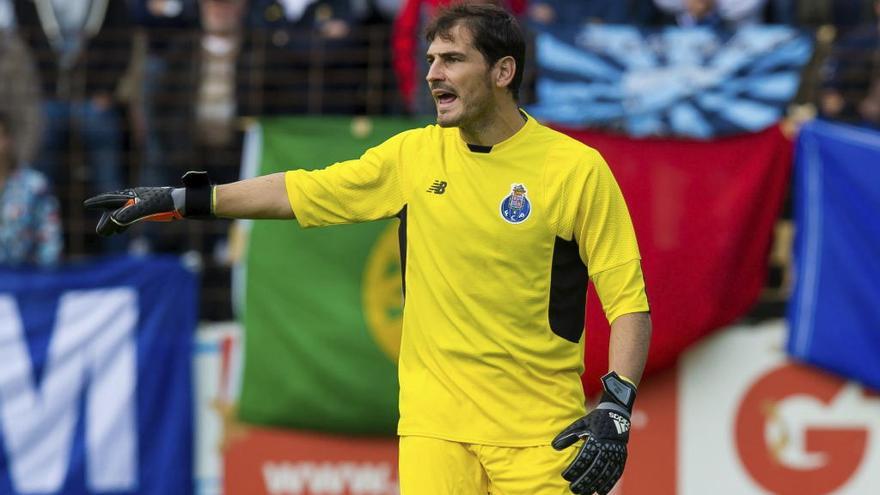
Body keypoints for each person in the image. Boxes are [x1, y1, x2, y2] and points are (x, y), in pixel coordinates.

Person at [85, 4, 652, 494]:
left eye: (452, 60)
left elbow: (628, 301)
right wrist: (183, 198)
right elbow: (298, 189)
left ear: (503, 71)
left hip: (539, 431)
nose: (433, 75)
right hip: (434, 426)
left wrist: (616, 404)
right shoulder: (411, 155)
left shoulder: (575, 169)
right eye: (429, 60)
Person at [0, 112, 62, 267]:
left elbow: (50, 241)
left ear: (8, 140)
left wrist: (43, 283)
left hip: (24, 282)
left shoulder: (35, 184)